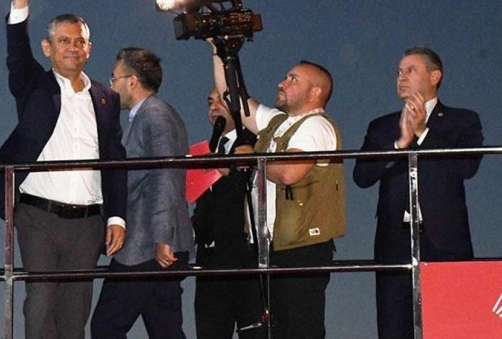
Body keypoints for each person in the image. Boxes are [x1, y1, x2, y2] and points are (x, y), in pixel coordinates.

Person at [0, 0, 127, 339]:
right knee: (40, 300)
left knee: (75, 310)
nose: (72, 47)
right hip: (38, 215)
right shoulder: (34, 87)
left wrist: (116, 217)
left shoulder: (107, 99)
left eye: (79, 41)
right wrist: (21, 0)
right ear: (47, 47)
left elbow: (115, 160)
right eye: (64, 40)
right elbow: (16, 56)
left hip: (88, 222)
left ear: (89, 48)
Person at [210, 42, 345, 338]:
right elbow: (233, 97)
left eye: (293, 79)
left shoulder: (316, 126)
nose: (281, 83)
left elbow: (288, 173)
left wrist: (253, 159)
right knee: (276, 328)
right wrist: (218, 50)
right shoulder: (278, 124)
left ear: (315, 92)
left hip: (301, 249)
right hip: (273, 245)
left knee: (300, 329)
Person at [352, 46, 483, 339]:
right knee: (394, 328)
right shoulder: (382, 126)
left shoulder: (462, 120)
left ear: (435, 76)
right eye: (399, 72)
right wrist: (399, 145)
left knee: (452, 327)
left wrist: (423, 132)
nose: (401, 77)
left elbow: (466, 167)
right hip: (393, 242)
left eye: (410, 70)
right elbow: (362, 176)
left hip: (446, 241)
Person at [91, 47, 193, 339]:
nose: (111, 86)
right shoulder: (153, 114)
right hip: (158, 244)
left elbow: (165, 174)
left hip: (147, 245)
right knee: (165, 329)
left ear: (132, 81)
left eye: (114, 78)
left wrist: (162, 237)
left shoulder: (154, 115)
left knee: (106, 326)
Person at [191, 88, 265, 339]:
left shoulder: (256, 144)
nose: (214, 108)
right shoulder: (207, 148)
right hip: (210, 261)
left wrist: (232, 170)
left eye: (221, 102)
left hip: (245, 258)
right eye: (209, 102)